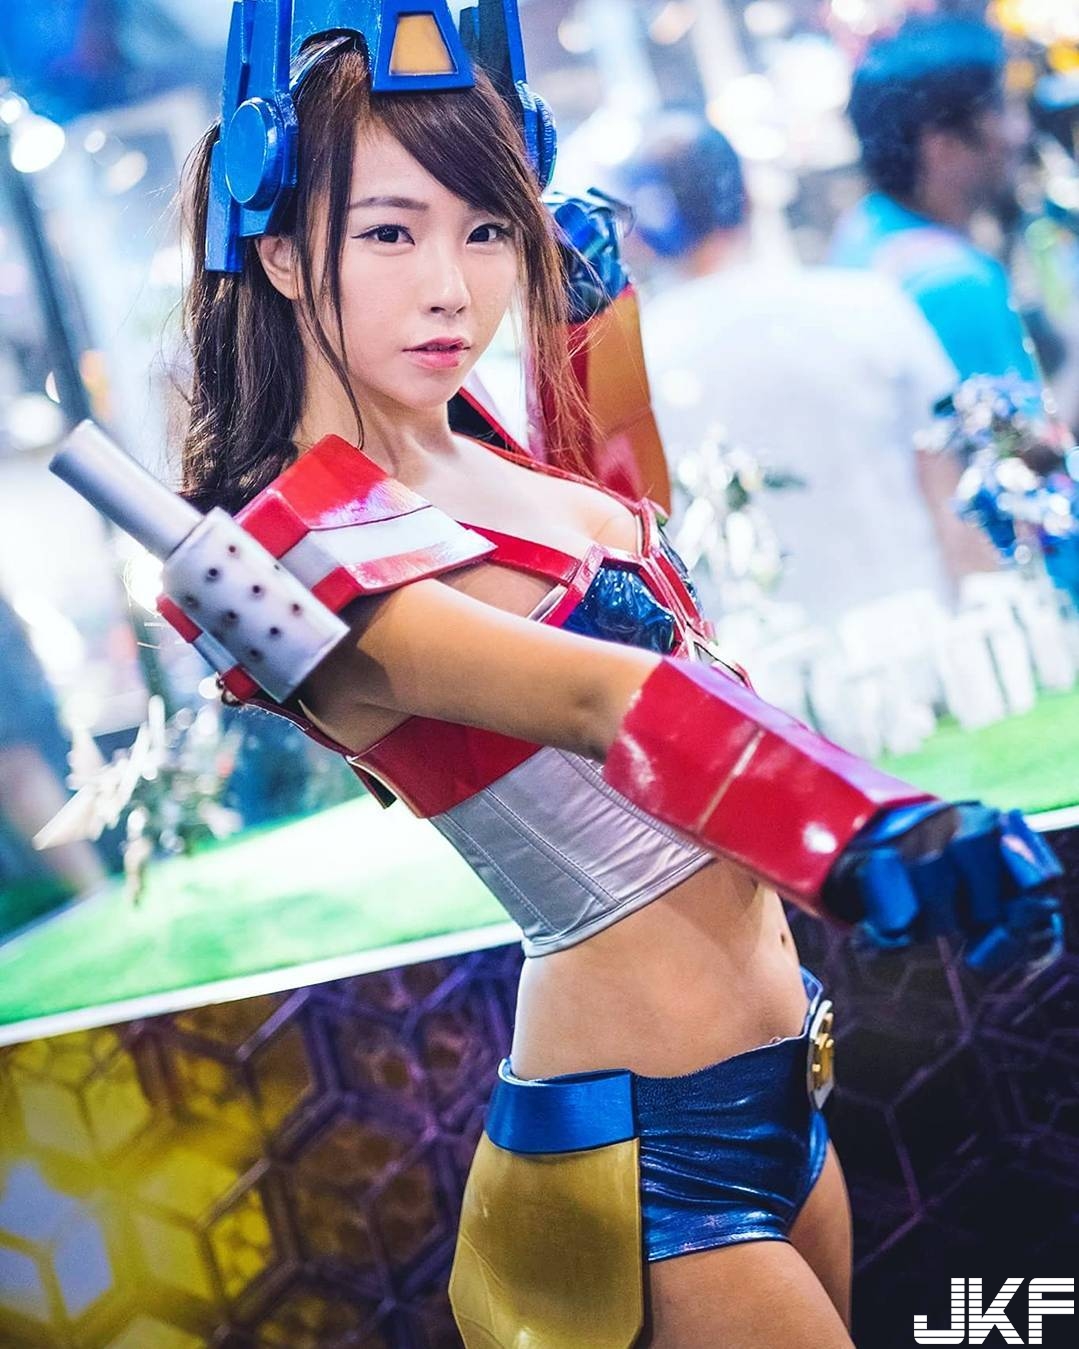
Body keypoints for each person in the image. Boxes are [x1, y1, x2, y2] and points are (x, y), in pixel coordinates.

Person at [70, 10, 1056, 1348]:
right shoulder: (304, 551)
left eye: (485, 227)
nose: (450, 286)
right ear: (281, 250)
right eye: (390, 233)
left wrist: (592, 338)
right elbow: (605, 694)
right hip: (640, 1172)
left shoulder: (478, 450)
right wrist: (867, 827)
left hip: (779, 1093)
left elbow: (625, 556)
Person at [623, 110, 960, 623]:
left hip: (757, 660)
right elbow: (950, 485)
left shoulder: (632, 367)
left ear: (640, 233)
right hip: (925, 628)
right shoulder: (869, 306)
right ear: (748, 196)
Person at [830, 15, 1037, 385]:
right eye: (1002, 109)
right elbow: (1023, 425)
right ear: (944, 147)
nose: (1021, 132)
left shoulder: (863, 225)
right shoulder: (956, 283)